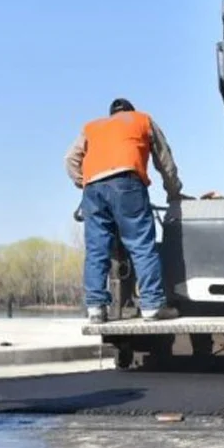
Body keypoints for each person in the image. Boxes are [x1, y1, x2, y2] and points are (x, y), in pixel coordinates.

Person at [65, 98, 186, 323]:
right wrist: (174, 193)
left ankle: (96, 309)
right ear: (130, 111)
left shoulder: (92, 127)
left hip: (93, 189)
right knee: (141, 244)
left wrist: (84, 182)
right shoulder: (141, 120)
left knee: (96, 249)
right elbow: (164, 160)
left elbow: (70, 159)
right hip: (127, 182)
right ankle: (151, 306)